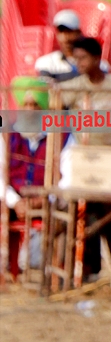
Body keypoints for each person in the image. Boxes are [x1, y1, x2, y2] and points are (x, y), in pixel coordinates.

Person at [59, 38, 111, 281]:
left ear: (97, 58)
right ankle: (90, 268)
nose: (79, 63)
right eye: (76, 59)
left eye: (83, 58)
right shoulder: (74, 87)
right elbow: (52, 102)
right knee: (87, 210)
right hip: (84, 156)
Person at [4, 79, 49, 278]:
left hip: (46, 201)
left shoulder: (62, 137)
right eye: (26, 104)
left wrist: (41, 200)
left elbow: (67, 179)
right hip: (12, 201)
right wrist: (15, 202)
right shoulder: (6, 135)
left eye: (35, 105)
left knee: (68, 213)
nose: (30, 110)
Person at [35, 10, 83, 81]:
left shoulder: (91, 63)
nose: (65, 37)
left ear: (78, 33)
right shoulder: (46, 62)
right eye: (61, 32)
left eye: (69, 32)